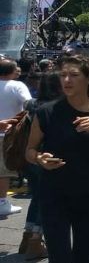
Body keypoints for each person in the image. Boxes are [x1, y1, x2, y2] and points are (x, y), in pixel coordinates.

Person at [26, 56, 89, 263]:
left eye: (74, 75)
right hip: (53, 192)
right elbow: (29, 150)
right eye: (63, 75)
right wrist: (39, 158)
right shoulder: (47, 111)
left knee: (83, 253)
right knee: (59, 255)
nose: (67, 80)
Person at [18, 72, 61, 259]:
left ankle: (28, 236)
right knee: (48, 199)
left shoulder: (31, 104)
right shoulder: (55, 107)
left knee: (37, 196)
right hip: (47, 157)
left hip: (30, 156)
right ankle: (36, 240)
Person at [0, 57, 31, 217]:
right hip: (9, 134)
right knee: (4, 171)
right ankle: (2, 202)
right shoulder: (17, 86)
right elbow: (29, 103)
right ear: (12, 71)